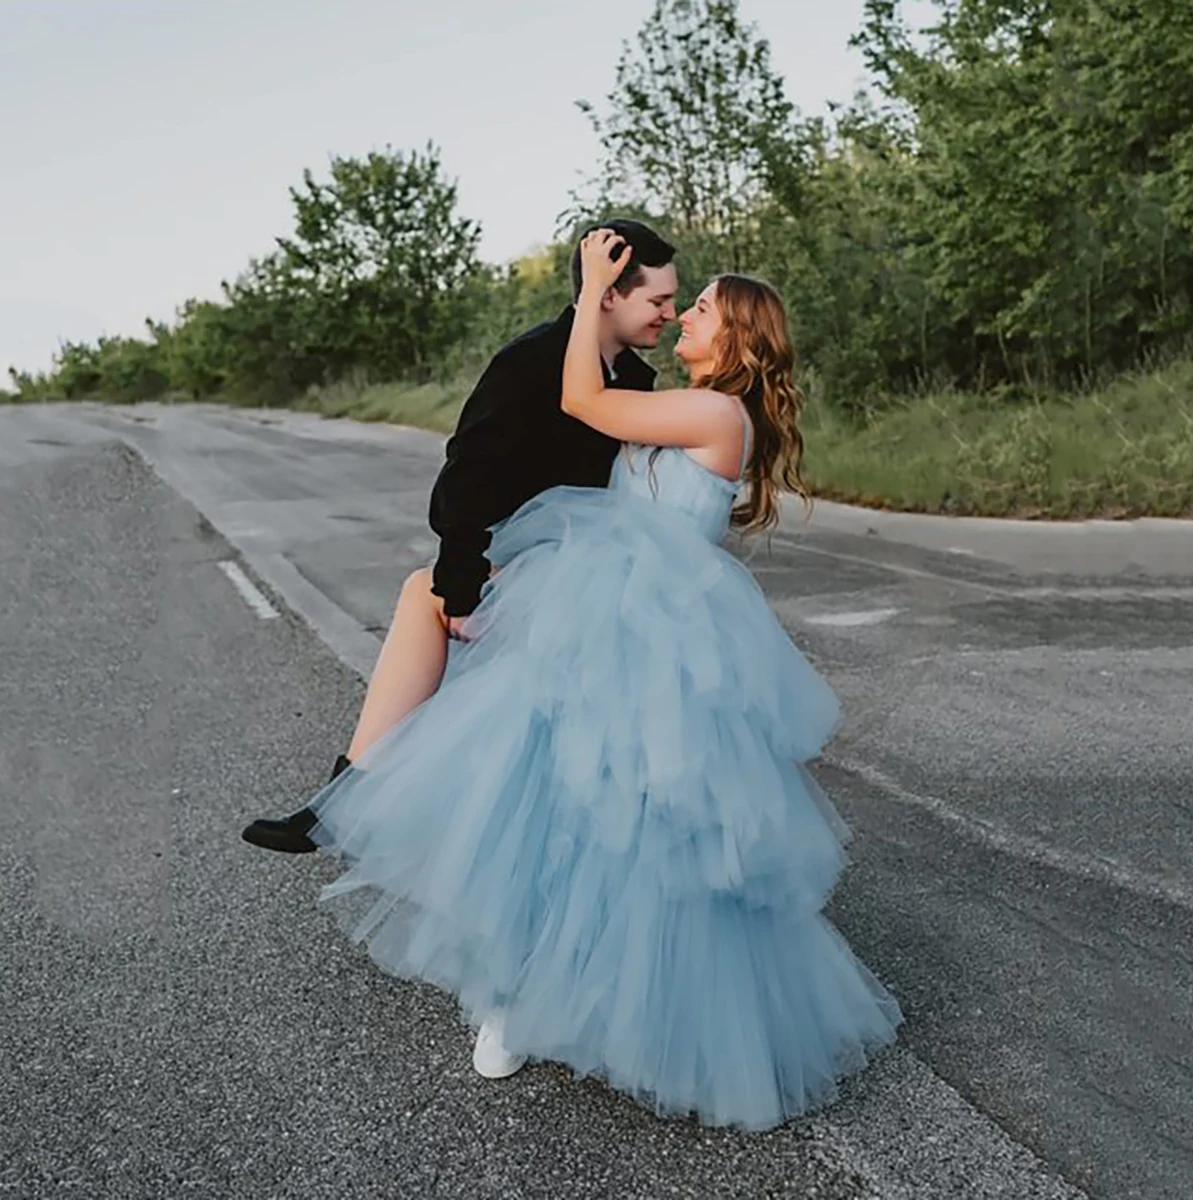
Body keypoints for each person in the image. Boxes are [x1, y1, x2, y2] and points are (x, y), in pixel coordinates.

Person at [277, 231, 903, 1131]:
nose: (681, 316)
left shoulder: (718, 417)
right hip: (593, 613)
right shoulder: (682, 400)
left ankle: (600, 1005)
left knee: (624, 833)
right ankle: (511, 992)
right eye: (674, 303)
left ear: (734, 342)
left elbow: (580, 397)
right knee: (547, 808)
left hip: (648, 634)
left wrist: (589, 290)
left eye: (700, 311)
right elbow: (566, 427)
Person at [241, 219, 678, 853]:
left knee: (437, 616)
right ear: (608, 293)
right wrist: (464, 590)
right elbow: (466, 476)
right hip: (528, 566)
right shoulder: (530, 360)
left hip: (593, 576)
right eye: (657, 300)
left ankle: (351, 800)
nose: (668, 312)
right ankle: (348, 798)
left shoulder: (637, 381)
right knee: (429, 593)